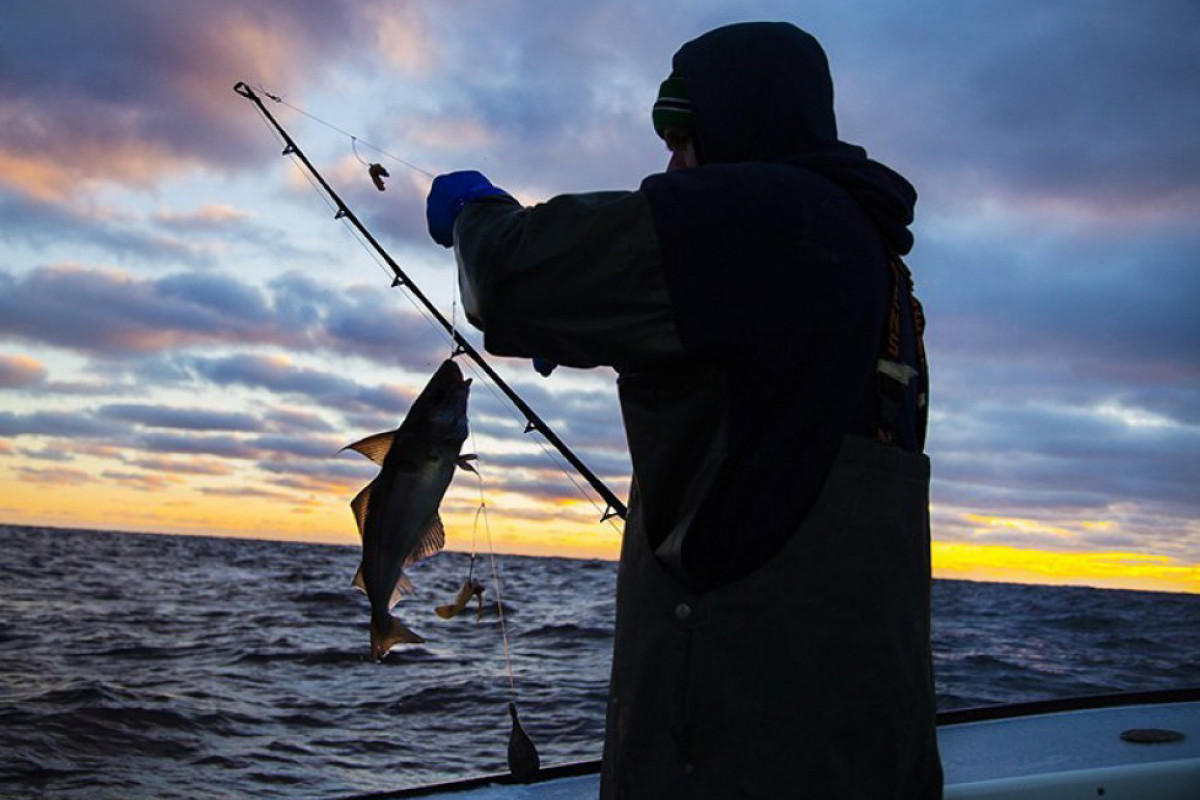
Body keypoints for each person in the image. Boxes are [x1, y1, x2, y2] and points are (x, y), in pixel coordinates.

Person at [425, 21, 942, 799]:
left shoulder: (763, 212)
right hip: (864, 745)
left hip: (734, 753)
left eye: (682, 140)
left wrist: (477, 212)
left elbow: (507, 278)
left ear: (740, 119)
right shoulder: (873, 261)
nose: (670, 167)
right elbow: (765, 412)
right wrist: (616, 331)